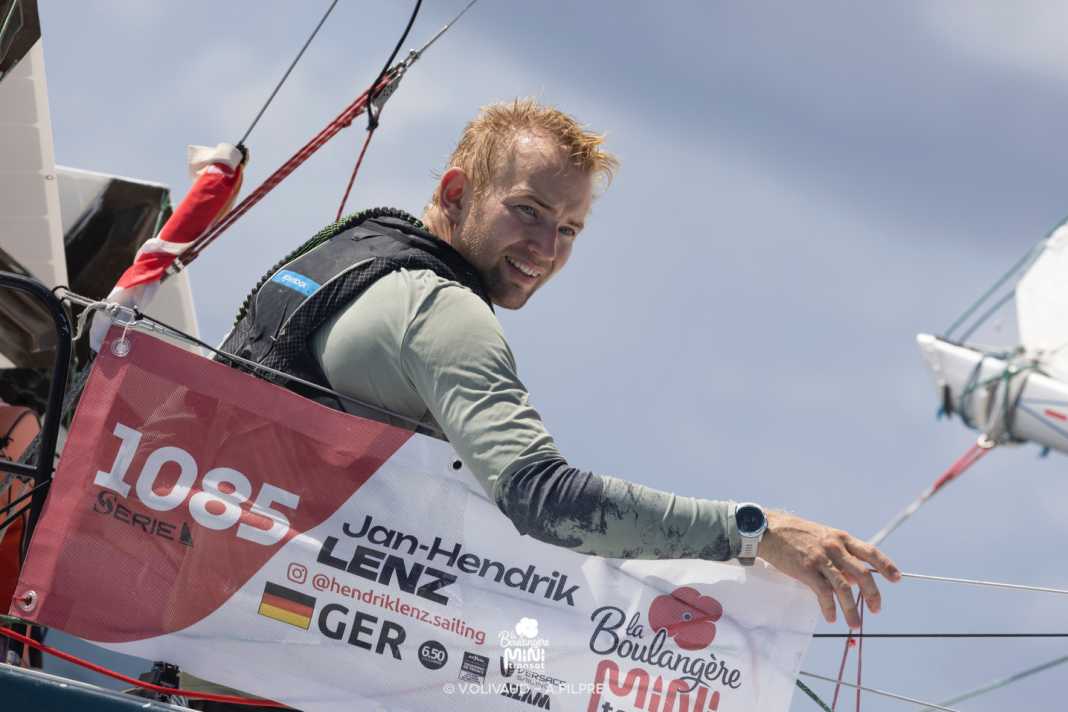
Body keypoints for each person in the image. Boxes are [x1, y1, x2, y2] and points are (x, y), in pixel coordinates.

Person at [222, 98, 900, 638]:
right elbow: (544, 500)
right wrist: (754, 532)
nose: (544, 248)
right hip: (265, 639)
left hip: (202, 611)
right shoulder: (442, 311)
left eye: (569, 230)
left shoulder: (347, 254)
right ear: (457, 191)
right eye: (529, 212)